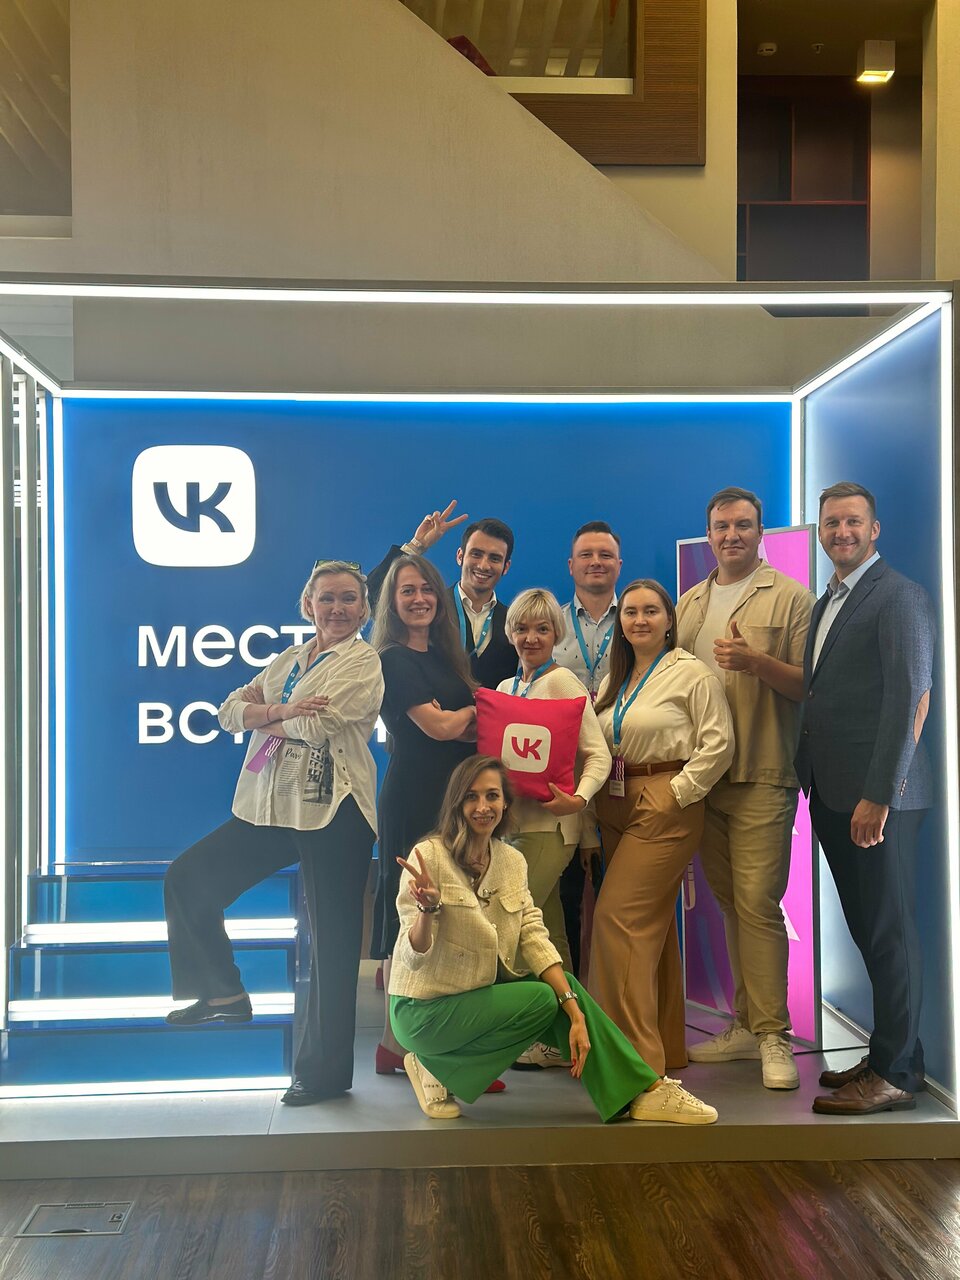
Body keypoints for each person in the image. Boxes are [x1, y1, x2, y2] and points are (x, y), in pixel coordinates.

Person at [388, 755, 718, 1124]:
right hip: (422, 1010)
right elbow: (412, 956)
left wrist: (574, 1009)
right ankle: (641, 1089)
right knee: (544, 998)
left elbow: (533, 935)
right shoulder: (429, 856)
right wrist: (427, 910)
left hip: (474, 998)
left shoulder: (511, 861)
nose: (483, 807)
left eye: (492, 796)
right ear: (456, 803)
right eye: (471, 796)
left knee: (561, 993)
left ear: (506, 803)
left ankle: (642, 1092)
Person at [163, 561, 383, 1106]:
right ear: (308, 605)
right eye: (327, 598)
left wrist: (262, 716)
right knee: (188, 878)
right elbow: (227, 712)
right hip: (271, 804)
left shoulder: (364, 662)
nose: (337, 608)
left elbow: (319, 725)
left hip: (335, 810)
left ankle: (323, 1076)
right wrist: (280, 709)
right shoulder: (288, 660)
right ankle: (222, 992)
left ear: (364, 608)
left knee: (331, 946)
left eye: (349, 599)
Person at [796, 482, 935, 1116]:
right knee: (869, 932)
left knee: (890, 933)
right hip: (833, 791)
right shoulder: (829, 600)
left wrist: (879, 794)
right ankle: (888, 1055)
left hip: (881, 799)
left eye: (853, 521)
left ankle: (897, 1075)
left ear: (873, 529)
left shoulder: (899, 596)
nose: (841, 532)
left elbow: (908, 699)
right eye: (831, 523)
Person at [676, 487, 813, 1090]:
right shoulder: (689, 603)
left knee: (758, 904)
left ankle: (774, 1035)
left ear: (761, 532)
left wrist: (756, 662)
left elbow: (809, 685)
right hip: (705, 778)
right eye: (721, 526)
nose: (731, 535)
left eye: (743, 525)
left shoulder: (792, 598)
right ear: (708, 534)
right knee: (731, 903)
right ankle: (744, 1023)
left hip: (762, 771)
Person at [587, 579, 734, 1077]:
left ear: (669, 620)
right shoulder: (616, 678)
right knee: (652, 927)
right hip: (614, 802)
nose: (639, 620)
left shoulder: (691, 673)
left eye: (651, 611)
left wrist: (678, 792)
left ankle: (630, 1066)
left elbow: (719, 743)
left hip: (664, 799)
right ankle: (666, 1047)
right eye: (630, 612)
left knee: (617, 919)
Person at [369, 553, 495, 1081]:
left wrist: (463, 717)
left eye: (426, 589)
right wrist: (479, 711)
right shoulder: (394, 659)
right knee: (411, 916)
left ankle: (439, 1047)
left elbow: (462, 728)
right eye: (407, 590)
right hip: (415, 799)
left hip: (453, 797)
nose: (419, 598)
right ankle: (395, 1044)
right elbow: (439, 728)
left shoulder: (446, 656)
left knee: (453, 917)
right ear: (392, 602)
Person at [495, 589, 610, 1037]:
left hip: (549, 829)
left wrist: (578, 801)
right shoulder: (506, 689)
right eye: (522, 628)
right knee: (549, 936)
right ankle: (571, 1036)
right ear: (511, 632)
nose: (531, 638)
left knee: (512, 929)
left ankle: (530, 1033)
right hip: (511, 829)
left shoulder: (562, 683)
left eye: (542, 629)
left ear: (555, 634)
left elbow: (597, 755)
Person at [552, 521, 623, 977]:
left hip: (625, 771)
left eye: (605, 555)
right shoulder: (550, 624)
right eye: (586, 555)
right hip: (566, 775)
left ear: (618, 563)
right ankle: (568, 1000)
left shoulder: (639, 618)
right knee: (565, 897)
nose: (596, 562)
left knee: (620, 898)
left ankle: (614, 1000)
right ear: (571, 565)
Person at [367, 503, 517, 688]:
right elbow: (372, 601)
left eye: (494, 558)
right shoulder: (428, 607)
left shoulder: (515, 621)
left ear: (506, 567)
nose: (483, 565)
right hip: (428, 706)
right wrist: (417, 545)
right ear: (460, 556)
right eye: (476, 554)